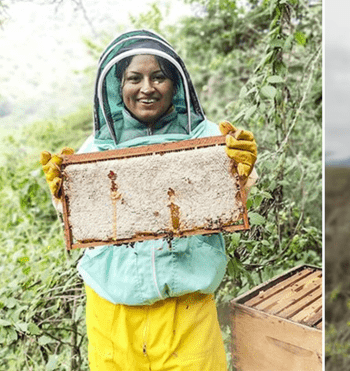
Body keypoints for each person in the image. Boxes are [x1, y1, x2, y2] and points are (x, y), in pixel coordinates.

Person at [40, 29, 257, 370]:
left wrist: (242, 170)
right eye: (134, 78)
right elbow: (78, 222)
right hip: (113, 312)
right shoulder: (95, 149)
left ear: (175, 82)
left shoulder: (210, 136)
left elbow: (235, 200)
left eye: (158, 77)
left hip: (186, 312)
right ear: (117, 85)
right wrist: (62, 191)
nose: (146, 88)